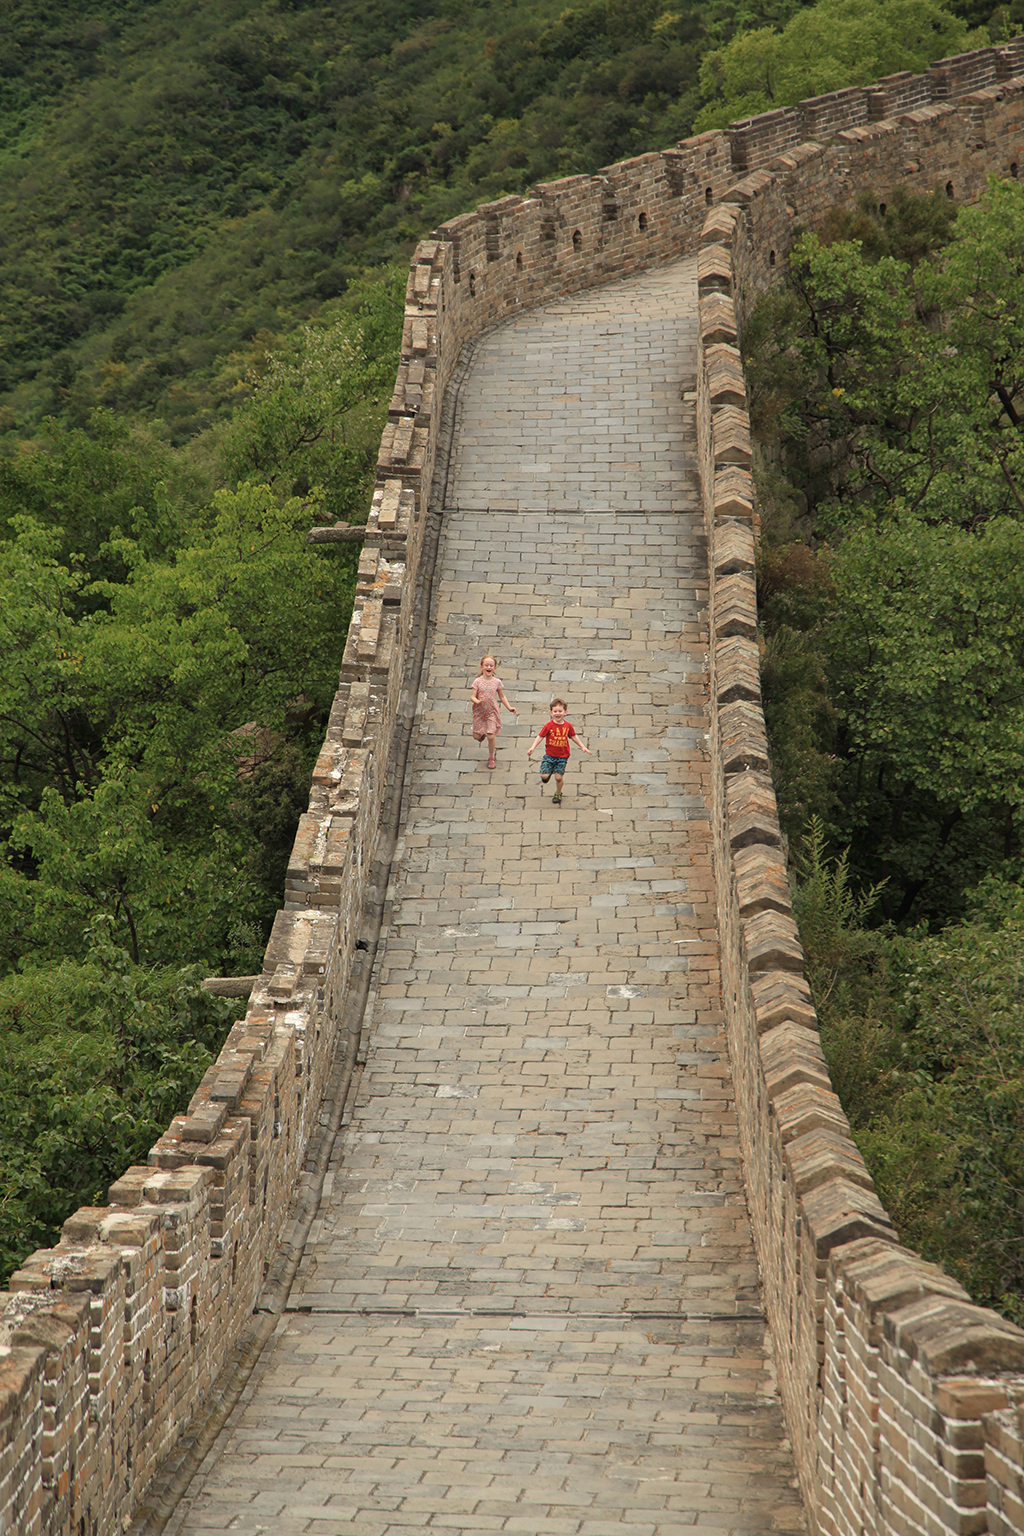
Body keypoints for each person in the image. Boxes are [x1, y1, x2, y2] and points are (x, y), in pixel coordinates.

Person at [526, 697, 591, 804]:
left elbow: (573, 736)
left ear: (565, 712)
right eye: (555, 711)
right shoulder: (548, 725)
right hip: (549, 755)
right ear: (551, 712)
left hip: (562, 756)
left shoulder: (568, 726)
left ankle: (558, 792)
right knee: (544, 776)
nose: (557, 713)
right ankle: (549, 771)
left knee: (558, 778)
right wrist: (533, 747)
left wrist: (582, 746)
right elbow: (540, 736)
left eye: (560, 711)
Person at [470, 655, 517, 768]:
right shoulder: (477, 682)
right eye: (486, 665)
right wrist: (478, 701)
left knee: (491, 736)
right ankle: (482, 735)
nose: (489, 667)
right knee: (476, 736)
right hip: (480, 712)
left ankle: (491, 758)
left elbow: (502, 696)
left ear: (495, 668)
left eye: (491, 665)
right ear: (481, 667)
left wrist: (509, 707)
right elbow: (472, 696)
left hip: (492, 712)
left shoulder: (497, 682)